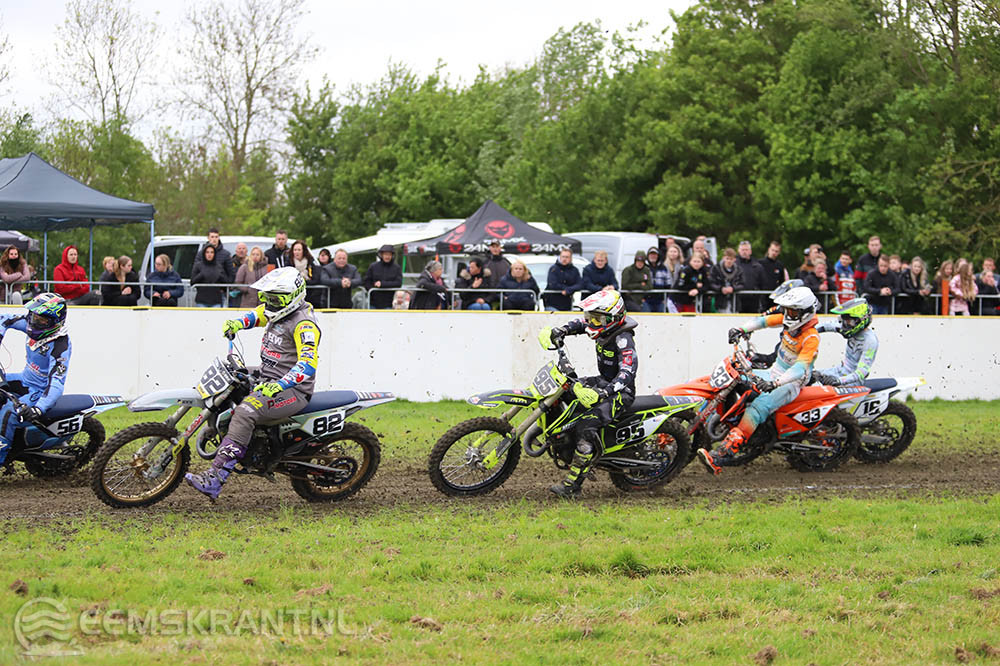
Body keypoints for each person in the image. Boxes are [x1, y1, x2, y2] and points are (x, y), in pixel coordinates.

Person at [185, 268, 320, 500]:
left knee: (245, 412)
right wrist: (238, 323)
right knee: (229, 378)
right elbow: (259, 315)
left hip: (292, 390)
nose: (270, 303)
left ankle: (216, 477)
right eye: (268, 297)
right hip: (267, 375)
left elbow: (308, 364)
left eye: (275, 299)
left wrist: (280, 385)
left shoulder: (304, 324)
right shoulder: (278, 311)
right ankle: (219, 429)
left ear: (293, 296)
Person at [697, 286, 821, 475]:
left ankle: (723, 455)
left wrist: (775, 383)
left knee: (757, 408)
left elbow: (800, 368)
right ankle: (717, 423)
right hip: (774, 372)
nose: (788, 314)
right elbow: (763, 321)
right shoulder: (789, 320)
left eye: (793, 311)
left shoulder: (811, 337)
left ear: (805, 312)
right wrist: (741, 329)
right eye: (787, 310)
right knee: (734, 378)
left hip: (791, 383)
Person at [540, 289, 638, 498]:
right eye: (590, 317)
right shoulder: (602, 326)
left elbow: (627, 372)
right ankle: (563, 443)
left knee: (585, 426)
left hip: (620, 393)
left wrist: (603, 393)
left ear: (613, 317)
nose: (591, 322)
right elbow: (581, 324)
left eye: (596, 318)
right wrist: (561, 330)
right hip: (603, 381)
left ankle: (573, 486)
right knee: (565, 390)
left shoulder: (623, 339)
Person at [0, 293, 71, 469]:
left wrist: (39, 408)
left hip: (39, 391)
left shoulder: (60, 345)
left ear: (55, 322)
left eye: (41, 320)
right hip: (24, 379)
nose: (33, 322)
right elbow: (4, 318)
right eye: (33, 316)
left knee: (9, 413)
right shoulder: (31, 324)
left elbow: (57, 383)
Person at [812, 298, 878, 386]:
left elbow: (863, 372)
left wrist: (839, 381)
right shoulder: (847, 327)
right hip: (839, 371)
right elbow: (824, 326)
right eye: (844, 319)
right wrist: (803, 332)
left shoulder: (870, 341)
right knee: (809, 377)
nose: (845, 324)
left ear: (860, 320)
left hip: (853, 382)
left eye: (849, 320)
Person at [363, 244, 403, 310]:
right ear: (381, 255)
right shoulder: (373, 266)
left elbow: (398, 283)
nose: (387, 256)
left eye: (389, 254)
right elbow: (366, 281)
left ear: (392, 256)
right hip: (373, 302)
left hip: (388, 303)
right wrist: (372, 290)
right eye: (386, 254)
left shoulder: (397, 268)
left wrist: (382, 284)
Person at [707, 248, 744, 313]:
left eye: (731, 259)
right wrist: (721, 289)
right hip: (720, 302)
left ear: (734, 259)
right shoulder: (716, 268)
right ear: (723, 258)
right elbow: (711, 282)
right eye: (727, 258)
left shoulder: (739, 270)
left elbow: (742, 284)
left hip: (735, 303)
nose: (729, 261)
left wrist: (733, 288)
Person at [289, 241, 324, 309]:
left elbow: (316, 279)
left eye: (299, 250)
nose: (297, 252)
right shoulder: (288, 263)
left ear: (303, 251)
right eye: (295, 250)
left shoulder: (311, 263)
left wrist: (304, 282)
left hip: (310, 296)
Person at [736, 241, 764, 313]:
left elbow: (762, 283)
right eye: (742, 250)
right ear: (739, 251)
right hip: (737, 299)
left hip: (754, 300)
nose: (744, 252)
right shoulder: (734, 265)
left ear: (750, 251)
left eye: (746, 250)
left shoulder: (757, 266)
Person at [660, 244, 685, 312]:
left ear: (679, 253)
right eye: (671, 251)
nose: (673, 253)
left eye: (675, 251)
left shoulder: (682, 265)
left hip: (679, 292)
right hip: (668, 292)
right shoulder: (664, 265)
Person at [227, 242, 248, 307]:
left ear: (247, 251)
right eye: (239, 248)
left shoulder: (251, 263)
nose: (241, 250)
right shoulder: (230, 263)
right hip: (234, 295)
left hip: (247, 294)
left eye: (243, 248)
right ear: (236, 251)